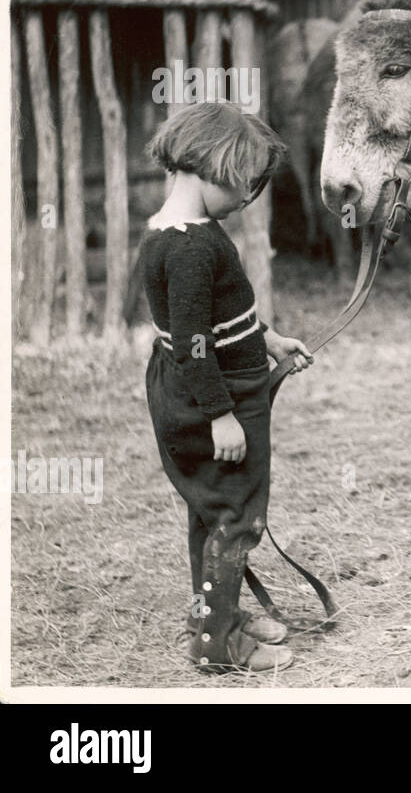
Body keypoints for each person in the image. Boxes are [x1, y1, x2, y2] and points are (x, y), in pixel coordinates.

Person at [140, 103, 312, 673]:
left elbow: (217, 317)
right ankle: (218, 645)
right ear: (206, 166)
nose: (246, 199)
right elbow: (192, 342)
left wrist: (267, 339)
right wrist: (220, 414)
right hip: (216, 396)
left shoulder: (182, 233)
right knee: (236, 515)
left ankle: (218, 612)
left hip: (210, 385)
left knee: (211, 511)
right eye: (241, 185)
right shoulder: (190, 247)